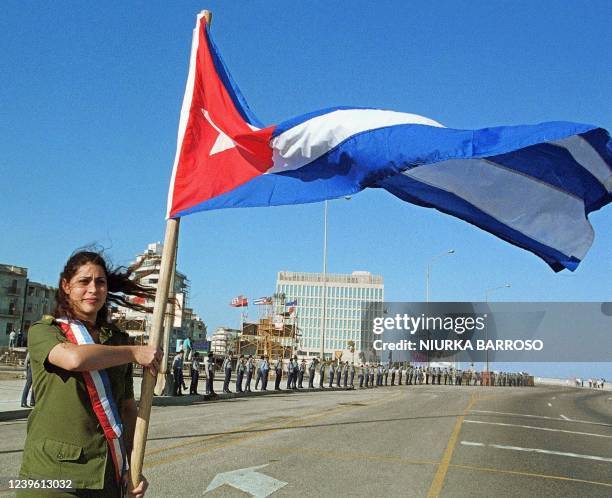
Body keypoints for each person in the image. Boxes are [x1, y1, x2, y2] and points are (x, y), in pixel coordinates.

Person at [19, 250, 160, 497]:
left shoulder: (117, 340)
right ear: (66, 286)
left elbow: (127, 409)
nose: (93, 289)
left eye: (100, 282)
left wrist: (133, 468)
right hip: (51, 475)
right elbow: (74, 359)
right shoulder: (45, 331)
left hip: (106, 476)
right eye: (84, 281)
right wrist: (135, 352)